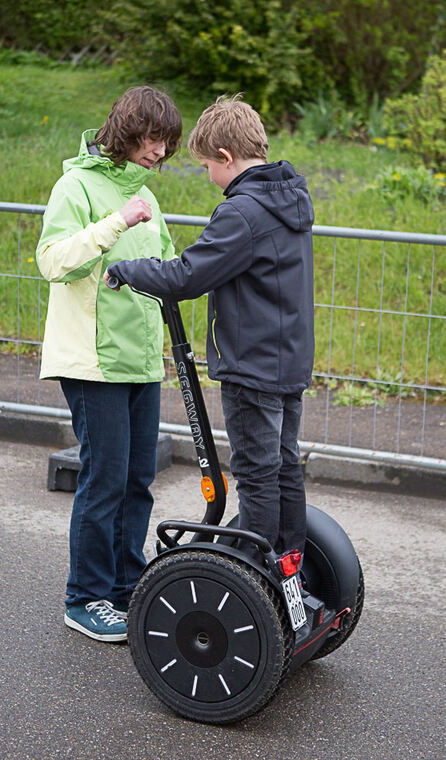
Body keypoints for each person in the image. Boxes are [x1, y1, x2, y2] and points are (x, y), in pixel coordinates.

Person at [105, 95, 314, 567]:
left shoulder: (242, 211)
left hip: (252, 366)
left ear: (225, 158)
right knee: (283, 468)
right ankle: (290, 560)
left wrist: (129, 268)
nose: (209, 178)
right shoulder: (291, 198)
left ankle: (257, 573)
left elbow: (186, 277)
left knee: (257, 474)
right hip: (288, 359)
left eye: (206, 167)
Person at [36, 86, 182, 642]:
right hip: (92, 362)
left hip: (142, 359)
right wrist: (116, 222)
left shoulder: (146, 194)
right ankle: (86, 597)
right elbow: (53, 262)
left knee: (138, 479)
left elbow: (166, 264)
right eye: (153, 138)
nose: (160, 151)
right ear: (127, 131)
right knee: (104, 480)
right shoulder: (75, 185)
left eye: (167, 142)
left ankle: (127, 587)